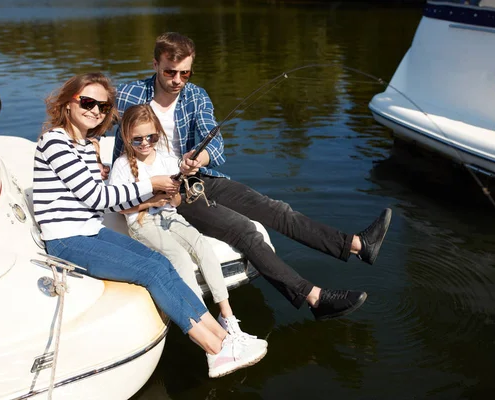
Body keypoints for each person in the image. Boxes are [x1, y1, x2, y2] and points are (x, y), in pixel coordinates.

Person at [113, 32, 392, 321]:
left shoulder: (195, 95)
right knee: (245, 231)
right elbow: (98, 124)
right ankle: (315, 298)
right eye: (170, 71)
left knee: (276, 210)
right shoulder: (129, 94)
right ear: (155, 64)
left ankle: (357, 245)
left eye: (185, 73)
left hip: (198, 177)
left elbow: (216, 144)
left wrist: (197, 158)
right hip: (167, 195)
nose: (178, 80)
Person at [33, 72, 267, 378]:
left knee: (160, 261)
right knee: (152, 271)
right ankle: (214, 350)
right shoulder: (55, 142)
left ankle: (226, 338)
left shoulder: (86, 144)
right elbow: (95, 197)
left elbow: (101, 198)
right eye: (88, 102)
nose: (95, 111)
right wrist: (149, 183)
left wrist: (147, 187)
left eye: (103, 107)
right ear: (67, 102)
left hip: (90, 230)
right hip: (67, 238)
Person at [109, 103, 260, 340]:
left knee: (202, 246)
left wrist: (175, 194)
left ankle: (227, 316)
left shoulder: (168, 159)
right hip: (141, 221)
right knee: (177, 255)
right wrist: (152, 202)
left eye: (151, 137)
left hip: (171, 216)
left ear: (158, 133)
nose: (145, 143)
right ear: (127, 137)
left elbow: (178, 201)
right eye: (138, 139)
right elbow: (118, 207)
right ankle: (203, 322)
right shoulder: (121, 166)